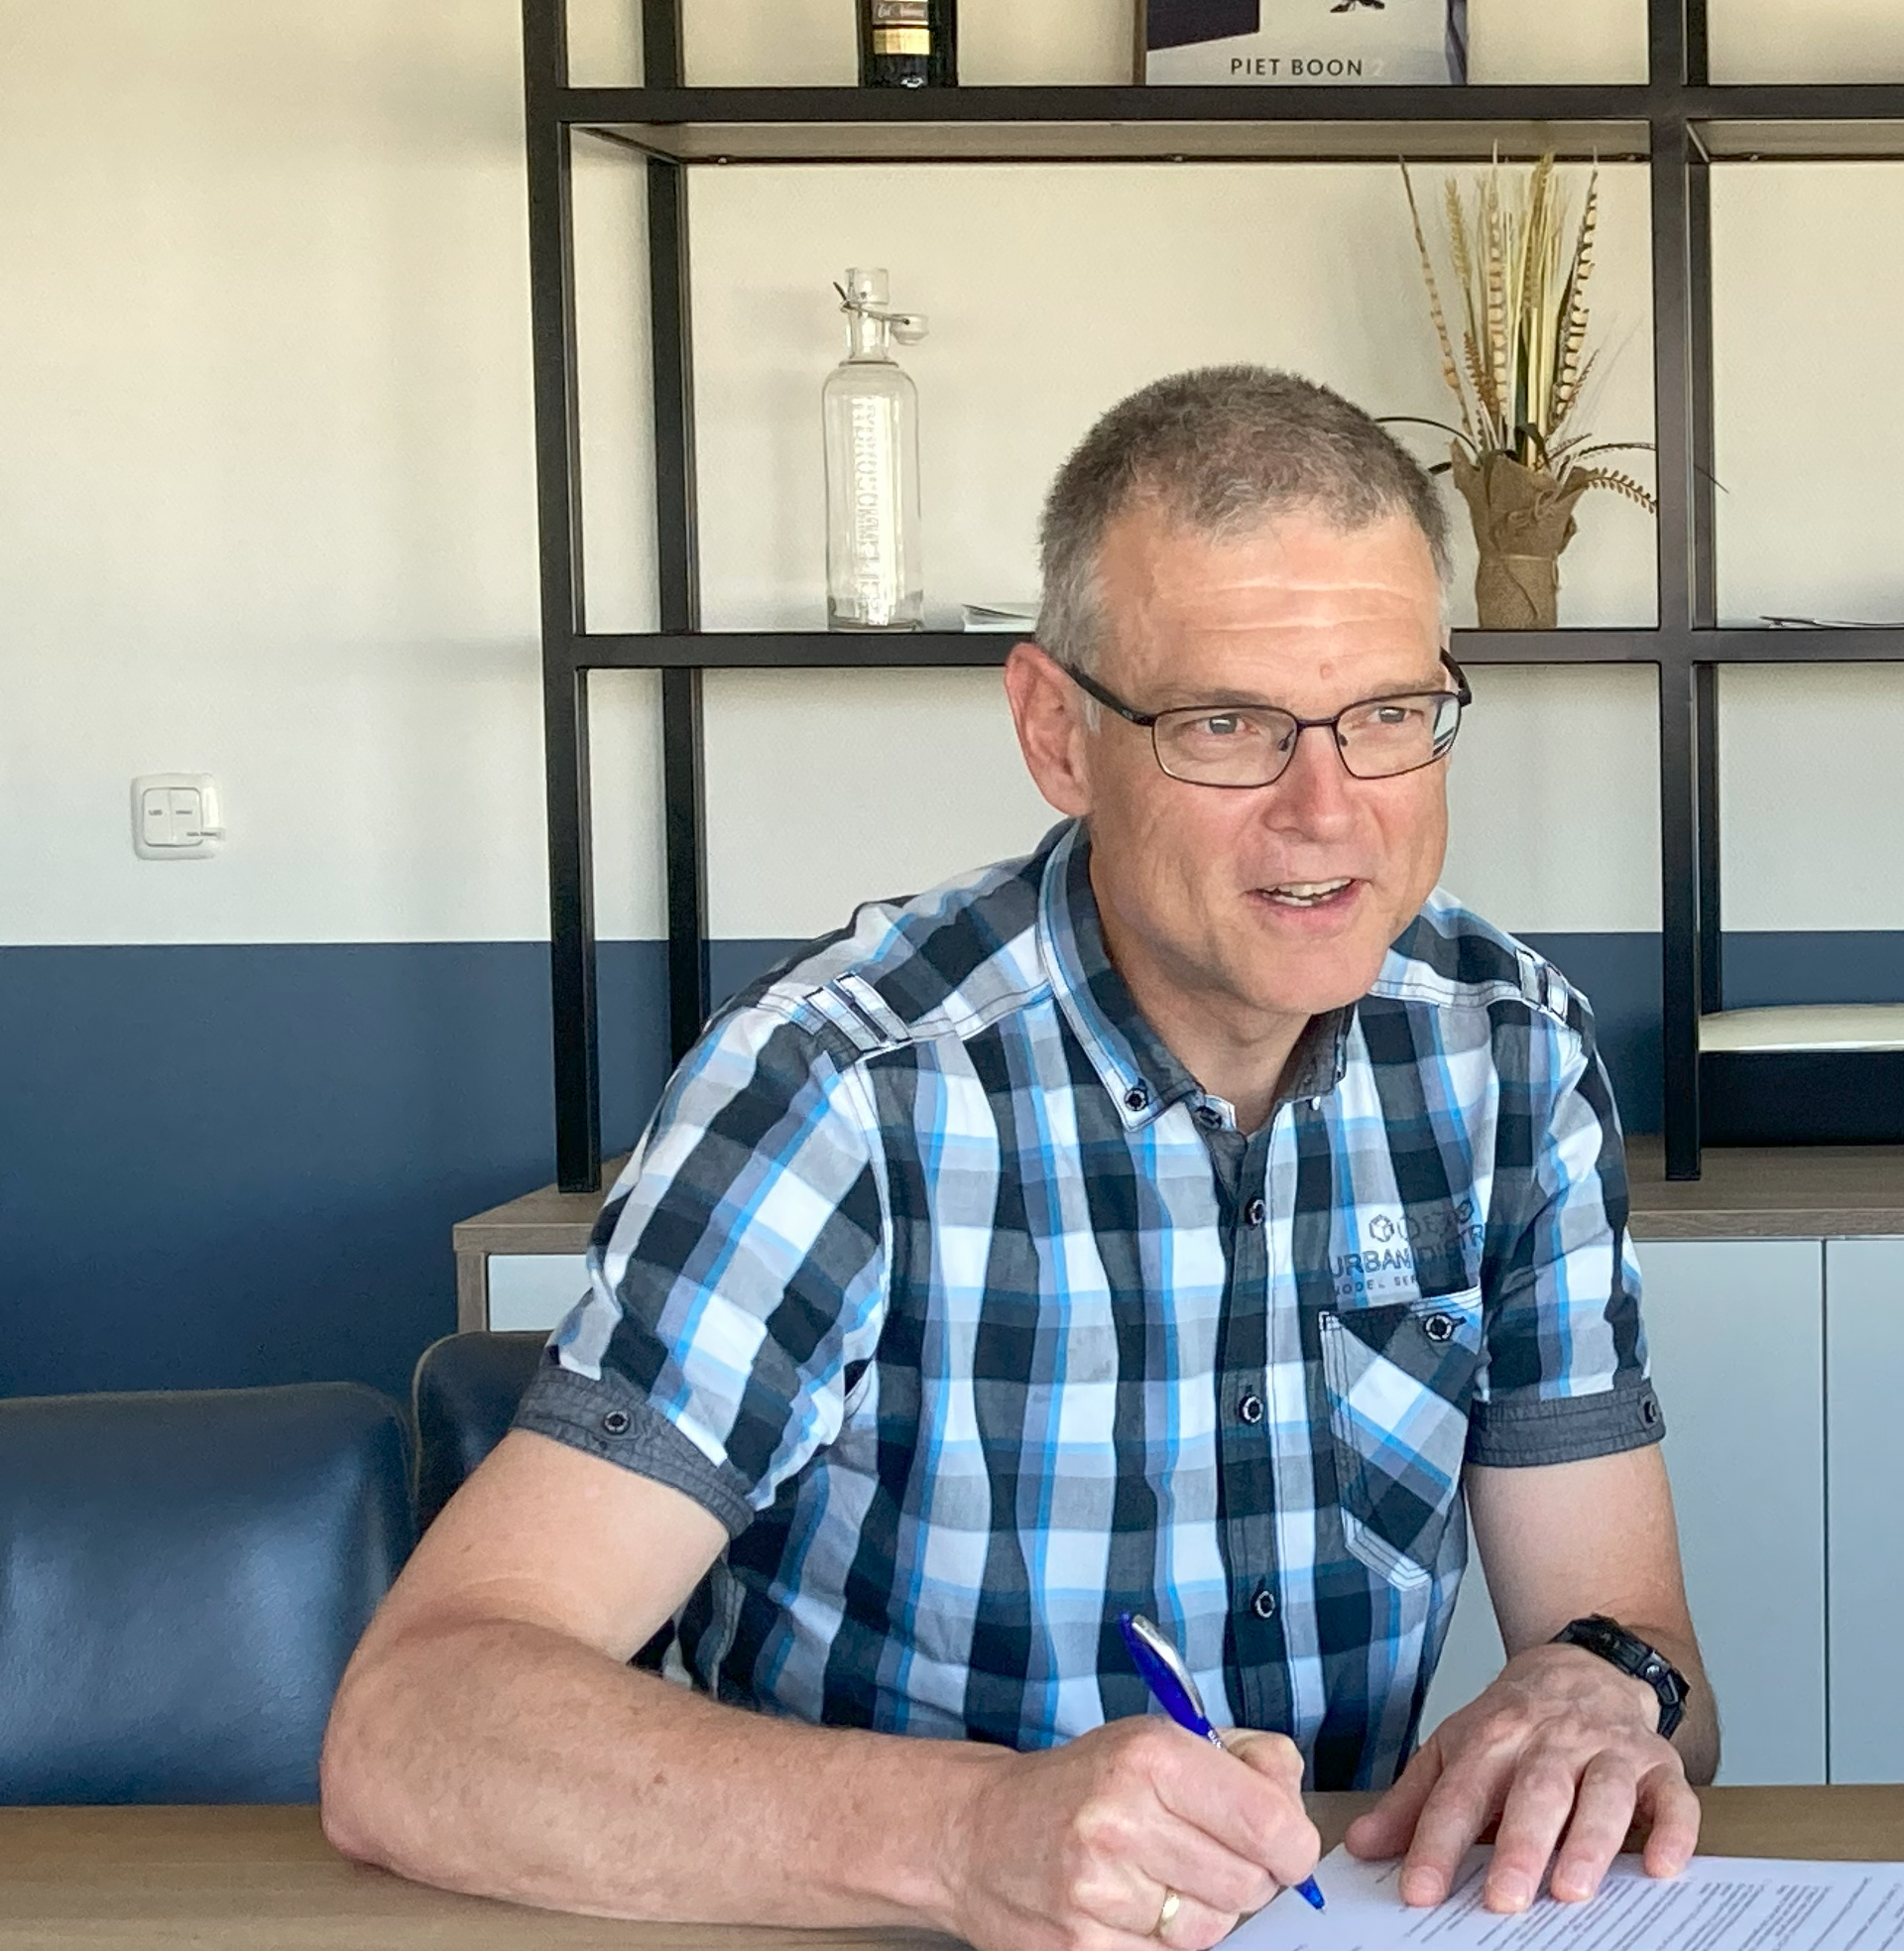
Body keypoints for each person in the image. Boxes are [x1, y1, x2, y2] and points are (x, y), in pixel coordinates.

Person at [325, 366, 1715, 1949]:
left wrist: (1597, 1695)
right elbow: (413, 1733)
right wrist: (976, 1830)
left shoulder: (1507, 1052)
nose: (1330, 816)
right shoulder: (842, 1091)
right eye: (1228, 727)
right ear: (1058, 733)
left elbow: (1645, 1643)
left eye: (1391, 715)